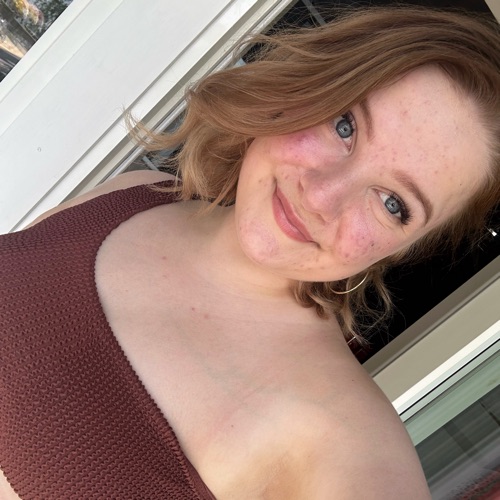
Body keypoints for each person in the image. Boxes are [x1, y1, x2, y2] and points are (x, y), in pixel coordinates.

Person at [1, 5, 499, 499]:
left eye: (392, 204)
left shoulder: (347, 448)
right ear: (307, 86)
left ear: (409, 247)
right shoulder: (134, 192)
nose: (321, 196)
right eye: (344, 126)